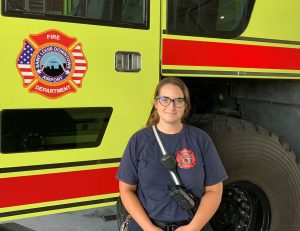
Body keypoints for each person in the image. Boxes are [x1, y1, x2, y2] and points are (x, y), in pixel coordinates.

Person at [116, 77, 228, 231]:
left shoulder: (201, 139)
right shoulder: (139, 140)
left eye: (178, 100)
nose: (171, 106)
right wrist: (149, 228)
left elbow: (214, 190)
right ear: (156, 103)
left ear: (186, 105)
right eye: (165, 99)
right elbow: (126, 190)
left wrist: (193, 228)